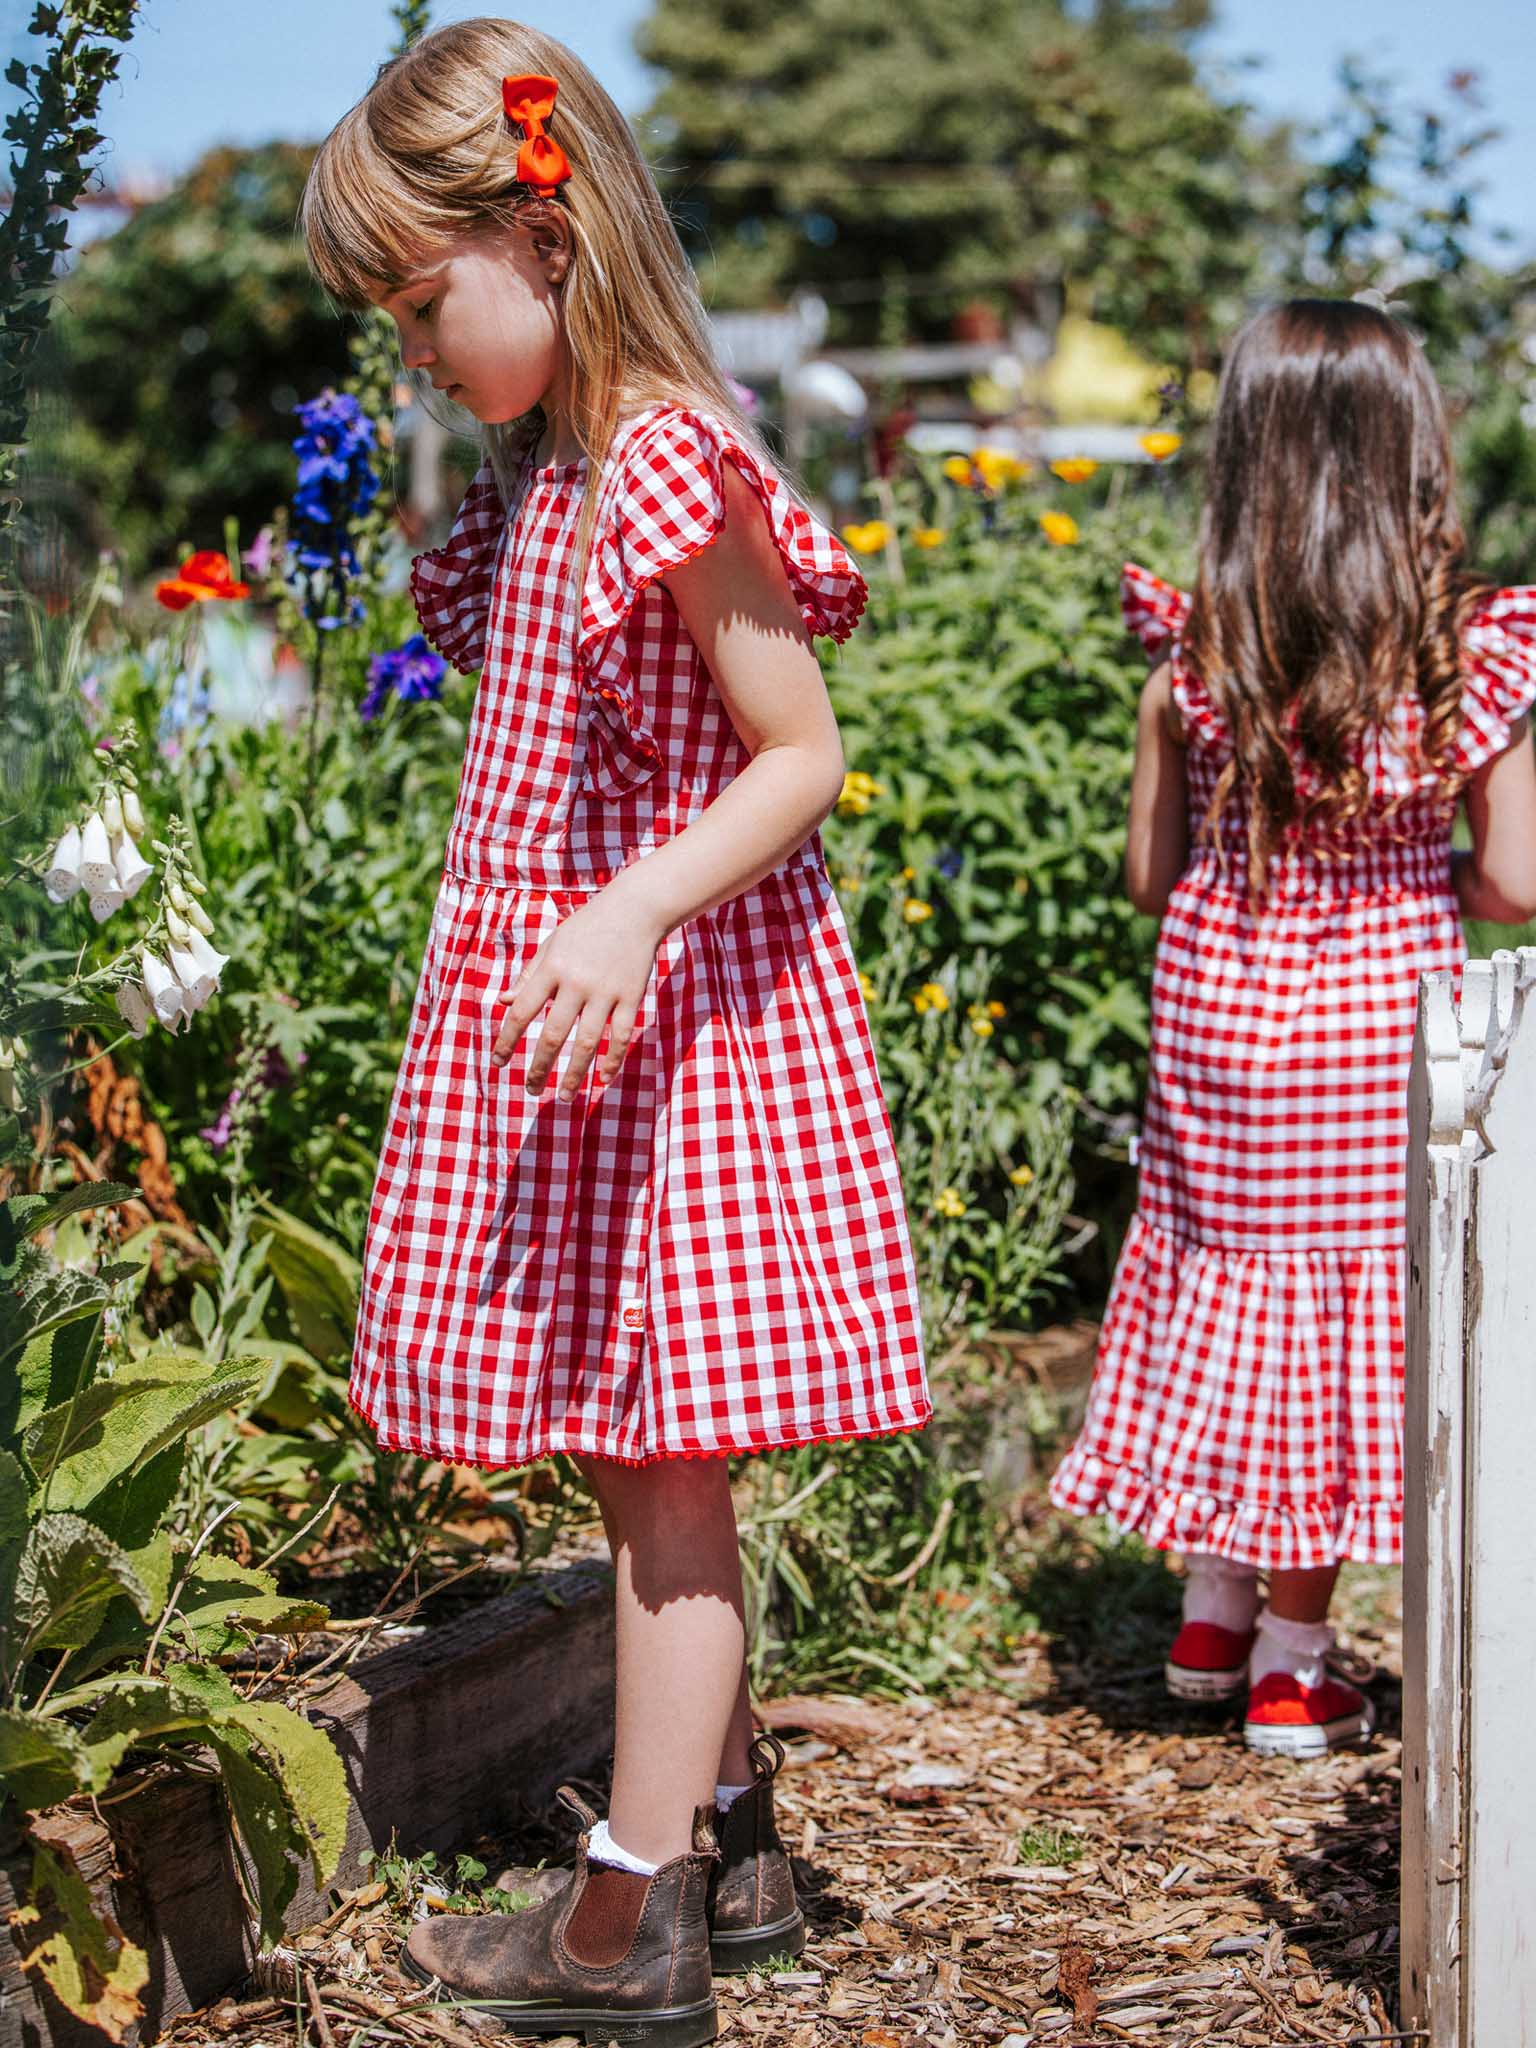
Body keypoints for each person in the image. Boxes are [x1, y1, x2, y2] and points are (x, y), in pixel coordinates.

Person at [300, 21, 930, 2045]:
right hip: (604, 1045)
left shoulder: (660, 454)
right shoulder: (555, 472)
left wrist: (635, 900)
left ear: (544, 236)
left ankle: (624, 1923)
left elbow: (802, 754)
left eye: (420, 295)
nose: (407, 342)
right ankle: (729, 1830)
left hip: (687, 1039)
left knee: (667, 1486)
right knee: (622, 1439)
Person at [1050, 298, 1536, 1760]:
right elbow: (1517, 877)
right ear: (1415, 456)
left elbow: (1152, 876)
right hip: (1376, 1020)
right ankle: (1294, 1659)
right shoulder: (1466, 653)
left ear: (1242, 456)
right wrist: (1404, 870)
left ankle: (1209, 1611)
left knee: (1225, 1291)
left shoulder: (1194, 652)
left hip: (1220, 1014)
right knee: (1330, 1325)